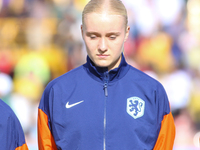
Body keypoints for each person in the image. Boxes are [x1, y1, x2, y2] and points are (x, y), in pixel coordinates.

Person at [37, 0, 175, 149]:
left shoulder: (152, 92)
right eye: (93, 36)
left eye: (112, 37)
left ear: (127, 32)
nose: (102, 47)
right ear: (82, 32)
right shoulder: (57, 92)